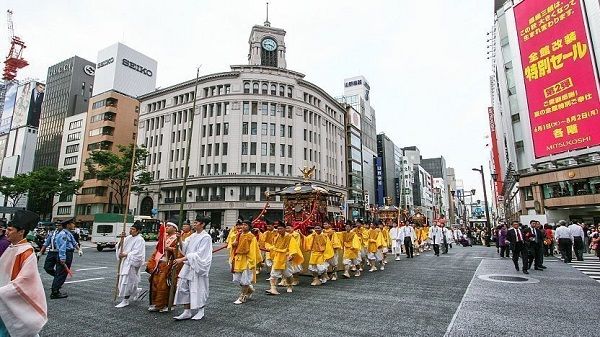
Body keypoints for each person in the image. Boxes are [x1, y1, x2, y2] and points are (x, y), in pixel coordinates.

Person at [0, 210, 47, 337]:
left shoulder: (26, 251)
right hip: (5, 296)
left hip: (13, 297)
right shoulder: (12, 247)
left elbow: (26, 280)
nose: (6, 232)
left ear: (21, 232)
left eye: (10, 230)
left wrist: (3, 291)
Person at [173, 215, 212, 321]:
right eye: (194, 222)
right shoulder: (193, 236)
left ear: (202, 224)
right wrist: (179, 239)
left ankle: (201, 310)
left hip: (197, 266)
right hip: (188, 265)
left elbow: (199, 254)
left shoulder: (206, 237)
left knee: (198, 288)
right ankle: (187, 311)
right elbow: (185, 247)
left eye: (196, 222)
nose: (194, 224)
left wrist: (182, 259)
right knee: (183, 287)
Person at [41, 218, 82, 299]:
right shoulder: (63, 234)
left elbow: (74, 242)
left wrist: (79, 249)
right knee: (61, 273)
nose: (74, 225)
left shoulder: (68, 233)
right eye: (72, 223)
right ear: (67, 225)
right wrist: (62, 258)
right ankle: (55, 292)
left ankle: (56, 289)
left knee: (61, 273)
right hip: (66, 253)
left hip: (69, 253)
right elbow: (62, 248)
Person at [147, 222, 180, 312]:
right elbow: (157, 251)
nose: (167, 227)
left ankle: (165, 304)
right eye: (167, 226)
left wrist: (170, 249)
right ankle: (156, 303)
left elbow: (180, 252)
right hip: (159, 263)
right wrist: (151, 262)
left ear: (175, 228)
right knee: (155, 284)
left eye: (169, 226)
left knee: (165, 285)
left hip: (169, 264)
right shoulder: (164, 237)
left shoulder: (177, 238)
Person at [265, 221, 303, 295]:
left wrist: (291, 255)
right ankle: (273, 288)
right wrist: (269, 248)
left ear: (285, 229)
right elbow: (275, 246)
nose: (279, 230)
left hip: (286, 257)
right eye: (278, 229)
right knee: (273, 274)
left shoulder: (290, 237)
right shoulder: (277, 237)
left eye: (281, 229)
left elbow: (293, 247)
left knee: (288, 274)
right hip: (277, 257)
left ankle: (289, 285)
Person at [114, 222, 146, 308]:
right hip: (125, 262)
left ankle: (125, 300)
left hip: (131, 263)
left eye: (133, 229)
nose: (131, 230)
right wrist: (121, 239)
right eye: (130, 229)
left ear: (138, 231)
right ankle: (136, 291)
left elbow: (138, 253)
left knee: (128, 281)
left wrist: (126, 254)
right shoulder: (127, 238)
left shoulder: (140, 239)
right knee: (129, 281)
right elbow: (119, 246)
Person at [230, 220, 261, 303]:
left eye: (245, 225)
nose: (243, 226)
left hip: (246, 260)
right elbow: (232, 244)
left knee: (245, 279)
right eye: (242, 225)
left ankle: (242, 297)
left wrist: (250, 262)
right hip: (238, 259)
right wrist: (233, 244)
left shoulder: (251, 237)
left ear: (249, 227)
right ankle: (250, 290)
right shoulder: (239, 235)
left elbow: (253, 250)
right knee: (238, 279)